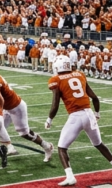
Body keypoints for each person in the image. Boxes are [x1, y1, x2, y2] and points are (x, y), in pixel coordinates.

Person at [45, 54, 112, 186]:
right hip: (89, 114)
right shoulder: (80, 74)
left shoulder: (56, 79)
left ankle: (70, 176)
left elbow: (55, 104)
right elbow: (95, 98)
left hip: (76, 116)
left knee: (62, 147)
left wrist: (49, 119)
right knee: (98, 144)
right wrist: (97, 113)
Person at [0, 62, 55, 161]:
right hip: (7, 107)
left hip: (16, 107)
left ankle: (47, 146)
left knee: (25, 133)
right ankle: (9, 147)